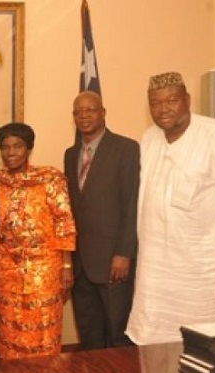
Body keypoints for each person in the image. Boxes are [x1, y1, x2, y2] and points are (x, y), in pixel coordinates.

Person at [126, 72, 215, 345]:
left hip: (205, 272)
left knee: (209, 346)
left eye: (172, 100)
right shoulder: (149, 138)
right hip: (157, 272)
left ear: (187, 100)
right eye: (155, 103)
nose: (163, 109)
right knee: (155, 343)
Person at [0, 122, 76, 358]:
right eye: (5, 147)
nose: (11, 152)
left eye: (18, 146)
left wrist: (67, 265)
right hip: (6, 273)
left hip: (45, 274)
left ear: (29, 149)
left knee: (45, 335)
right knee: (9, 336)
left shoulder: (50, 178)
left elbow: (64, 222)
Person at [64, 91, 140, 350]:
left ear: (103, 112)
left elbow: (132, 204)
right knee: (89, 335)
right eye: (78, 112)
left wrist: (124, 253)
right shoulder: (70, 154)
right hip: (81, 263)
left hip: (113, 261)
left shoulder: (126, 149)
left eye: (91, 110)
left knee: (117, 333)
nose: (84, 116)